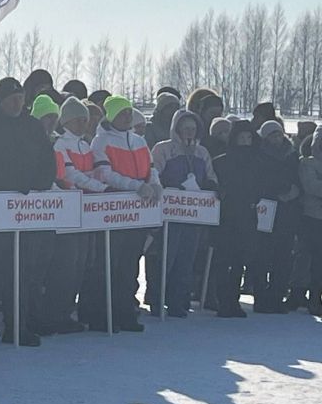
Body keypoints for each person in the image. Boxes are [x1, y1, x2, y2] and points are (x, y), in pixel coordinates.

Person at [0, 77, 56, 346]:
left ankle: (16, 326)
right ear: (1, 101)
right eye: (12, 99)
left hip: (25, 210)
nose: (17, 103)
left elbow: (47, 161)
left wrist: (37, 184)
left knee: (20, 271)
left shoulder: (31, 127)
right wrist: (10, 186)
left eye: (20, 98)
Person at [88, 95, 162, 332]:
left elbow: (150, 168)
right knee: (109, 265)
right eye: (122, 113)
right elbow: (105, 174)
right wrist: (136, 186)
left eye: (129, 112)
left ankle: (125, 312)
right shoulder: (100, 141)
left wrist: (155, 183)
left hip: (137, 213)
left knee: (129, 265)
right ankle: (102, 314)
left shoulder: (139, 141)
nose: (127, 117)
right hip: (113, 211)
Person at [47, 97, 106, 333]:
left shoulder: (86, 146)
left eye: (86, 119)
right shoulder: (61, 144)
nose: (84, 124)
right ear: (68, 121)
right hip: (69, 212)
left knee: (82, 263)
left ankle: (67, 311)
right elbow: (71, 175)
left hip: (87, 212)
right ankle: (56, 313)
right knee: (66, 265)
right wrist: (102, 189)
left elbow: (93, 172)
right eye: (79, 120)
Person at [150, 110, 218, 316]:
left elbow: (210, 175)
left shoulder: (202, 152)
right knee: (165, 259)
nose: (189, 132)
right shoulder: (163, 149)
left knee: (186, 260)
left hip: (192, 215)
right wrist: (168, 187)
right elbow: (154, 174)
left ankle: (178, 301)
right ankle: (157, 299)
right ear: (177, 129)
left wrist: (213, 186)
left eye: (193, 128)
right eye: (186, 128)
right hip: (169, 215)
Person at [212, 120, 264, 318]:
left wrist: (253, 198)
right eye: (241, 137)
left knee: (240, 260)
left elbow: (260, 188)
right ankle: (223, 301)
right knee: (224, 260)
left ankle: (233, 301)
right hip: (226, 217)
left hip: (248, 216)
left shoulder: (257, 162)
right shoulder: (222, 161)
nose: (245, 141)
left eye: (248, 137)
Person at [250, 121, 301, 313]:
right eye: (272, 135)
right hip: (266, 209)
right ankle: (261, 298)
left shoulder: (292, 154)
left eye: (279, 134)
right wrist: (274, 192)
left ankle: (278, 296)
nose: (276, 138)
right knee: (262, 256)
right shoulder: (258, 155)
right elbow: (257, 181)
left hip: (288, 211)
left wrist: (295, 191)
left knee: (283, 257)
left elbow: (298, 177)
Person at [298, 125, 322, 315]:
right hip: (312, 218)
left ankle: (316, 296)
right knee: (308, 259)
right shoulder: (308, 163)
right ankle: (301, 294)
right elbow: (312, 187)